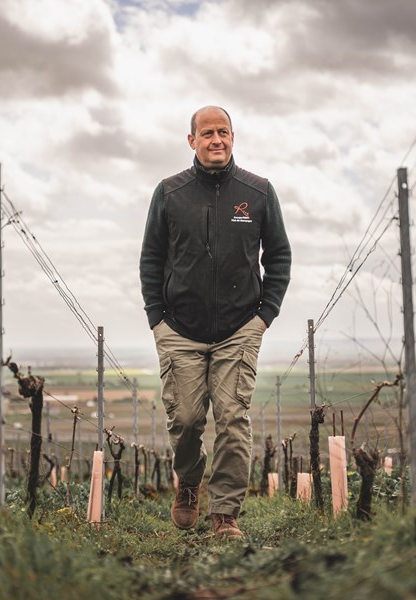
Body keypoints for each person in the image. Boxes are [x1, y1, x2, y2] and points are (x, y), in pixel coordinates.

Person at [139, 106, 292, 538]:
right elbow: (151, 258)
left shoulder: (258, 192)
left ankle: (225, 514)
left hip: (240, 329)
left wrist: (264, 316)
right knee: (186, 419)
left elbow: (278, 257)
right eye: (207, 133)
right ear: (192, 140)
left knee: (232, 418)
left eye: (223, 132)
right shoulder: (169, 193)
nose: (216, 140)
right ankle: (189, 482)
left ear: (233, 137)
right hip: (179, 330)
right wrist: (157, 319)